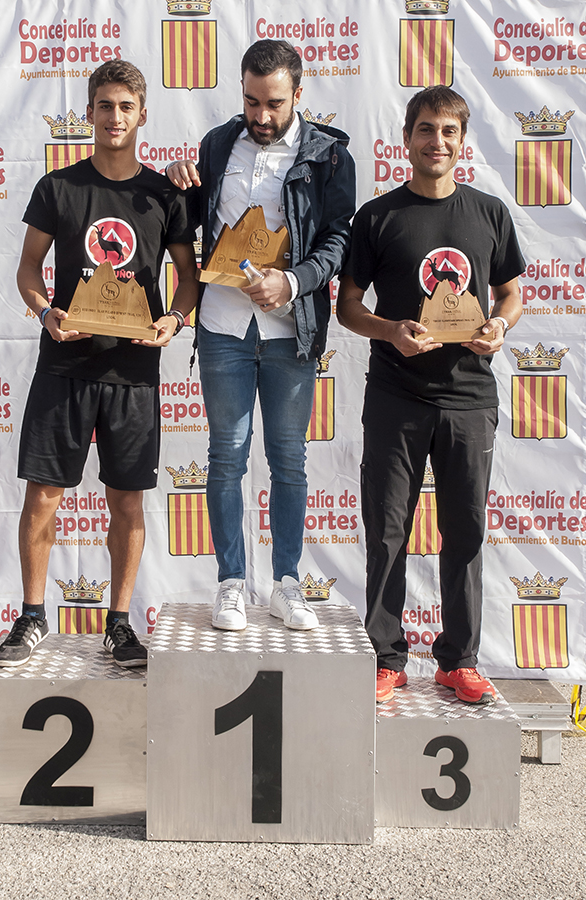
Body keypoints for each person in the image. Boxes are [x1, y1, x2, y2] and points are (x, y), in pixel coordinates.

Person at [0, 60, 197, 669]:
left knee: (127, 503)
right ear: (88, 113)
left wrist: (175, 319)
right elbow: (28, 270)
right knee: (43, 497)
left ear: (142, 115)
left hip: (133, 373)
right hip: (65, 364)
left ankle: (120, 623)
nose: (114, 117)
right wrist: (45, 313)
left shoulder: (164, 194)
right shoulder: (57, 187)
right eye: (104, 105)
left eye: (126, 107)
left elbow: (188, 279)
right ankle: (32, 616)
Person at [337, 85, 524, 704]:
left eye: (448, 131)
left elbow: (510, 294)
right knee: (387, 529)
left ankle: (458, 660)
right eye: (425, 129)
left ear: (462, 141)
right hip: (396, 395)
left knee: (464, 531)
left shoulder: (489, 213)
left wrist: (500, 326)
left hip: (470, 399)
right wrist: (391, 330)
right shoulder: (378, 217)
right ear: (406, 138)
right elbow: (347, 306)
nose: (436, 141)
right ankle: (386, 657)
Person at [167, 39, 356, 632]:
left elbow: (338, 242)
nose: (261, 115)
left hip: (290, 329)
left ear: (298, 94)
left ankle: (287, 584)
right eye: (252, 101)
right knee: (225, 456)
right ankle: (230, 583)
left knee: (288, 460)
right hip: (222, 326)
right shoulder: (218, 142)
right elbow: (193, 219)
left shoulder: (328, 156)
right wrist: (178, 183)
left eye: (274, 103)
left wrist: (292, 283)